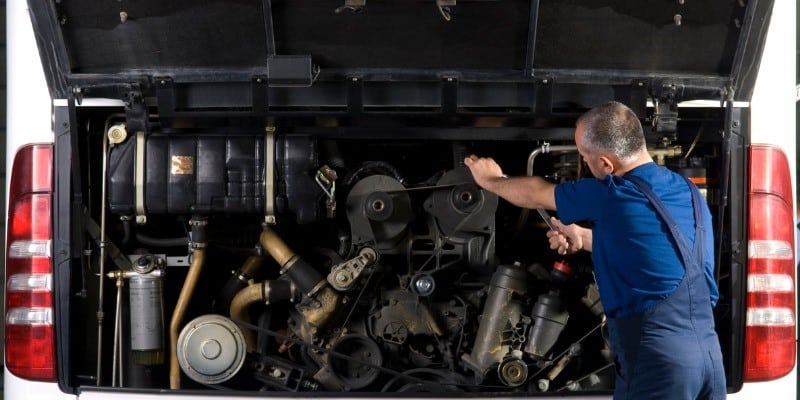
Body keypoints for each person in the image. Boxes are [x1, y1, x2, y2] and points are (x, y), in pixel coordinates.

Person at [464, 101, 726, 399]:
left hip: (658, 362)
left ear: (606, 163)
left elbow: (535, 192)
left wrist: (490, 180)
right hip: (708, 358)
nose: (585, 165)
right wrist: (583, 237)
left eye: (585, 158)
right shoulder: (685, 190)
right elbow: (654, 247)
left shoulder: (612, 193)